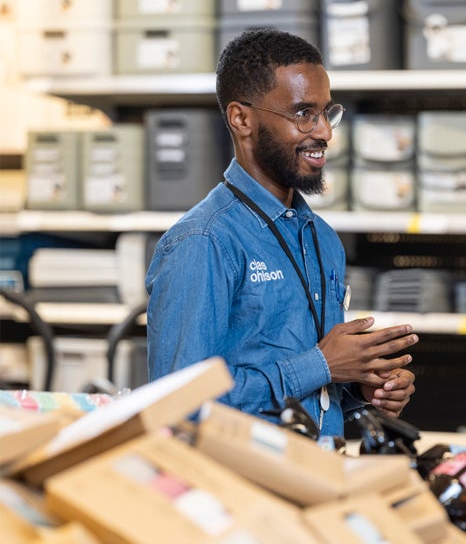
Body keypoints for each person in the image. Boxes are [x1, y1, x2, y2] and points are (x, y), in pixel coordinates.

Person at [145, 28, 418, 438]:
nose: (324, 132)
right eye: (304, 113)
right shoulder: (204, 242)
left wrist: (362, 387)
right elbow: (178, 405)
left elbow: (316, 393)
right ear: (242, 119)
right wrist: (321, 364)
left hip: (317, 476)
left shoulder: (322, 239)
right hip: (241, 491)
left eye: (327, 112)